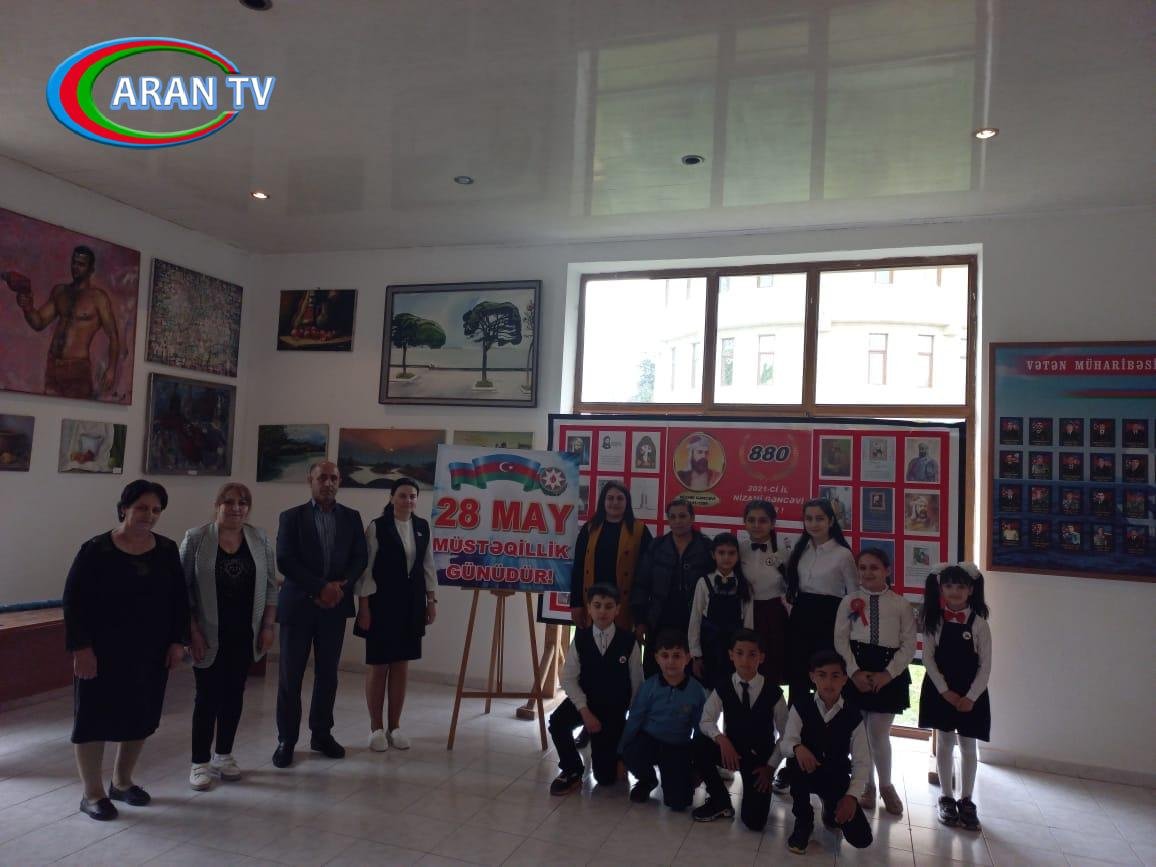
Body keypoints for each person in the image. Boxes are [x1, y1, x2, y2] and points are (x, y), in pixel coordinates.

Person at [62, 480, 188, 821]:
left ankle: (122, 782)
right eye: (142, 508)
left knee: (140, 716)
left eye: (156, 510)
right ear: (124, 509)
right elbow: (73, 602)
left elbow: (179, 600)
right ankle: (92, 794)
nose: (149, 515)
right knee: (92, 719)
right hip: (100, 652)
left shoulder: (166, 549)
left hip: (150, 651)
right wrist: (81, 648)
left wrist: (177, 642)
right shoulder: (96, 549)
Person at [181, 483, 278, 791]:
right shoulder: (196, 538)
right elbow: (181, 591)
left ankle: (223, 755)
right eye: (230, 502)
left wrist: (268, 626)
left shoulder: (259, 538)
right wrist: (192, 632)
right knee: (207, 697)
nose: (237, 508)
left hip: (245, 633)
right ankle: (199, 762)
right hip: (208, 634)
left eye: (243, 503)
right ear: (217, 505)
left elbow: (271, 586)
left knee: (234, 694)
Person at [273, 461, 368, 768]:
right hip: (298, 606)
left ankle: (321, 734)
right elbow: (285, 560)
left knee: (328, 675)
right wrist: (319, 588)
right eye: (322, 478)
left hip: (334, 607)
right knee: (290, 677)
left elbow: (360, 557)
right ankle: (287, 740)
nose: (328, 483)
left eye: (334, 478)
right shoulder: (291, 517)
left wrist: (340, 586)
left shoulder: (351, 517)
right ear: (310, 480)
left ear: (340, 482)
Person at [354, 477, 437, 752]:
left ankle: (395, 727)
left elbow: (428, 566)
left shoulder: (422, 527)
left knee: (401, 665)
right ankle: (375, 728)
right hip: (381, 606)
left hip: (411, 606)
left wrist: (431, 600)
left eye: (412, 496)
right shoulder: (377, 527)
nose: (408, 500)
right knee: (379, 666)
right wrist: (364, 607)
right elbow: (366, 570)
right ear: (392, 498)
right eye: (402, 495)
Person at [833, 548, 916, 816]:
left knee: (878, 734)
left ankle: (886, 785)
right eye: (863, 568)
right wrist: (854, 672)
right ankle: (866, 786)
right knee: (858, 734)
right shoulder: (849, 602)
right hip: (856, 671)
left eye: (874, 567)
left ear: (887, 570)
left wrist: (888, 674)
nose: (867, 573)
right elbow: (840, 639)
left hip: (888, 673)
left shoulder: (901, 604)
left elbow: (908, 645)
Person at [547, 584, 643, 795]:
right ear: (589, 608)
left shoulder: (628, 641)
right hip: (586, 702)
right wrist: (585, 712)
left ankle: (617, 755)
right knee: (557, 722)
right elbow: (568, 678)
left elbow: (637, 682)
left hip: (613, 709)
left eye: (608, 606)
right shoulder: (581, 639)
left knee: (606, 778)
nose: (602, 611)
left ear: (617, 609)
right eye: (597, 606)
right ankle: (572, 769)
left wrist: (626, 721)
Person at [919, 563, 992, 832]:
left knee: (968, 745)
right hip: (942, 691)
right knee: (945, 741)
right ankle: (946, 797)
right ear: (941, 589)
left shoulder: (980, 624)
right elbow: (927, 659)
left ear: (971, 590)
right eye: (949, 586)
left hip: (972, 693)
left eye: (961, 586)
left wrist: (971, 696)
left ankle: (967, 799)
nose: (954, 591)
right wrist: (944, 691)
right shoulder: (934, 621)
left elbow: (985, 666)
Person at [692, 629, 789, 830]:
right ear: (731, 655)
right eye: (739, 653)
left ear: (761, 657)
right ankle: (720, 800)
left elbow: (786, 735)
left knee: (754, 823)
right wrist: (722, 740)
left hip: (759, 762)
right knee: (699, 744)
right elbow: (706, 721)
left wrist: (770, 767)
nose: (745, 660)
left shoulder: (773, 692)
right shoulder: (723, 686)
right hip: (731, 752)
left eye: (752, 654)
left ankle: (755, 795)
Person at [781, 650, 873, 854]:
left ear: (845, 679)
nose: (828, 682)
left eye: (835, 676)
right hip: (805, 772)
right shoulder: (801, 705)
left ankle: (830, 807)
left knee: (861, 838)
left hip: (835, 776)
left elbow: (861, 762)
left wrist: (851, 797)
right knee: (795, 764)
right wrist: (797, 747)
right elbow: (786, 742)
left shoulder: (853, 715)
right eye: (822, 675)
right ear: (812, 677)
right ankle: (804, 820)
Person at [6, 245, 121, 399]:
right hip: (53, 364)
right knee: (48, 409)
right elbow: (38, 323)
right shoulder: (60, 291)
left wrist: (111, 369)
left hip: (77, 368)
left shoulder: (98, 298)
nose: (75, 267)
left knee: (78, 410)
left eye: (81, 264)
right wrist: (27, 308)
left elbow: (113, 336)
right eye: (74, 262)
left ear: (91, 269)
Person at [619, 629, 708, 812]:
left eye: (676, 656)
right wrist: (621, 753)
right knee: (631, 751)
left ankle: (679, 779)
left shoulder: (697, 691)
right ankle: (647, 780)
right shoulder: (649, 686)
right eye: (665, 656)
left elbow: (701, 730)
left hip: (677, 745)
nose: (670, 661)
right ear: (657, 658)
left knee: (679, 803)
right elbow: (634, 719)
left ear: (688, 658)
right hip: (649, 741)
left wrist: (698, 766)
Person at [784, 499, 858, 705]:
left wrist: (849, 628)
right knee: (798, 677)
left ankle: (828, 722)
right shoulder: (801, 550)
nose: (813, 523)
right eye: (809, 518)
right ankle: (795, 723)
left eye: (819, 518)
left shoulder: (843, 554)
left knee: (826, 677)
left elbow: (854, 596)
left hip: (829, 619)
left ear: (831, 521)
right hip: (800, 618)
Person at [631, 498, 713, 677]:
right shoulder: (656, 546)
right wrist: (640, 621)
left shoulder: (706, 547)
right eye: (673, 517)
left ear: (692, 518)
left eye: (682, 516)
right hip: (659, 619)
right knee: (655, 672)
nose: (677, 521)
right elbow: (641, 585)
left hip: (694, 620)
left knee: (691, 673)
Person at [569, 482, 651, 630]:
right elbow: (578, 568)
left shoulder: (640, 531)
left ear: (627, 502)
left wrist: (641, 614)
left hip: (625, 605)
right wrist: (576, 603)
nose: (615, 502)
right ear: (603, 501)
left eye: (620, 498)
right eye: (610, 498)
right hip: (593, 603)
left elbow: (646, 575)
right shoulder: (589, 528)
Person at [689, 533, 753, 689]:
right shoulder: (703, 582)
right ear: (713, 555)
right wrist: (696, 655)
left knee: (733, 689)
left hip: (734, 650)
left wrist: (746, 651)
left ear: (738, 555)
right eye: (721, 552)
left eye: (731, 553)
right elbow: (695, 619)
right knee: (708, 690)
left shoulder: (745, 585)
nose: (726, 557)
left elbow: (748, 623)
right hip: (709, 647)